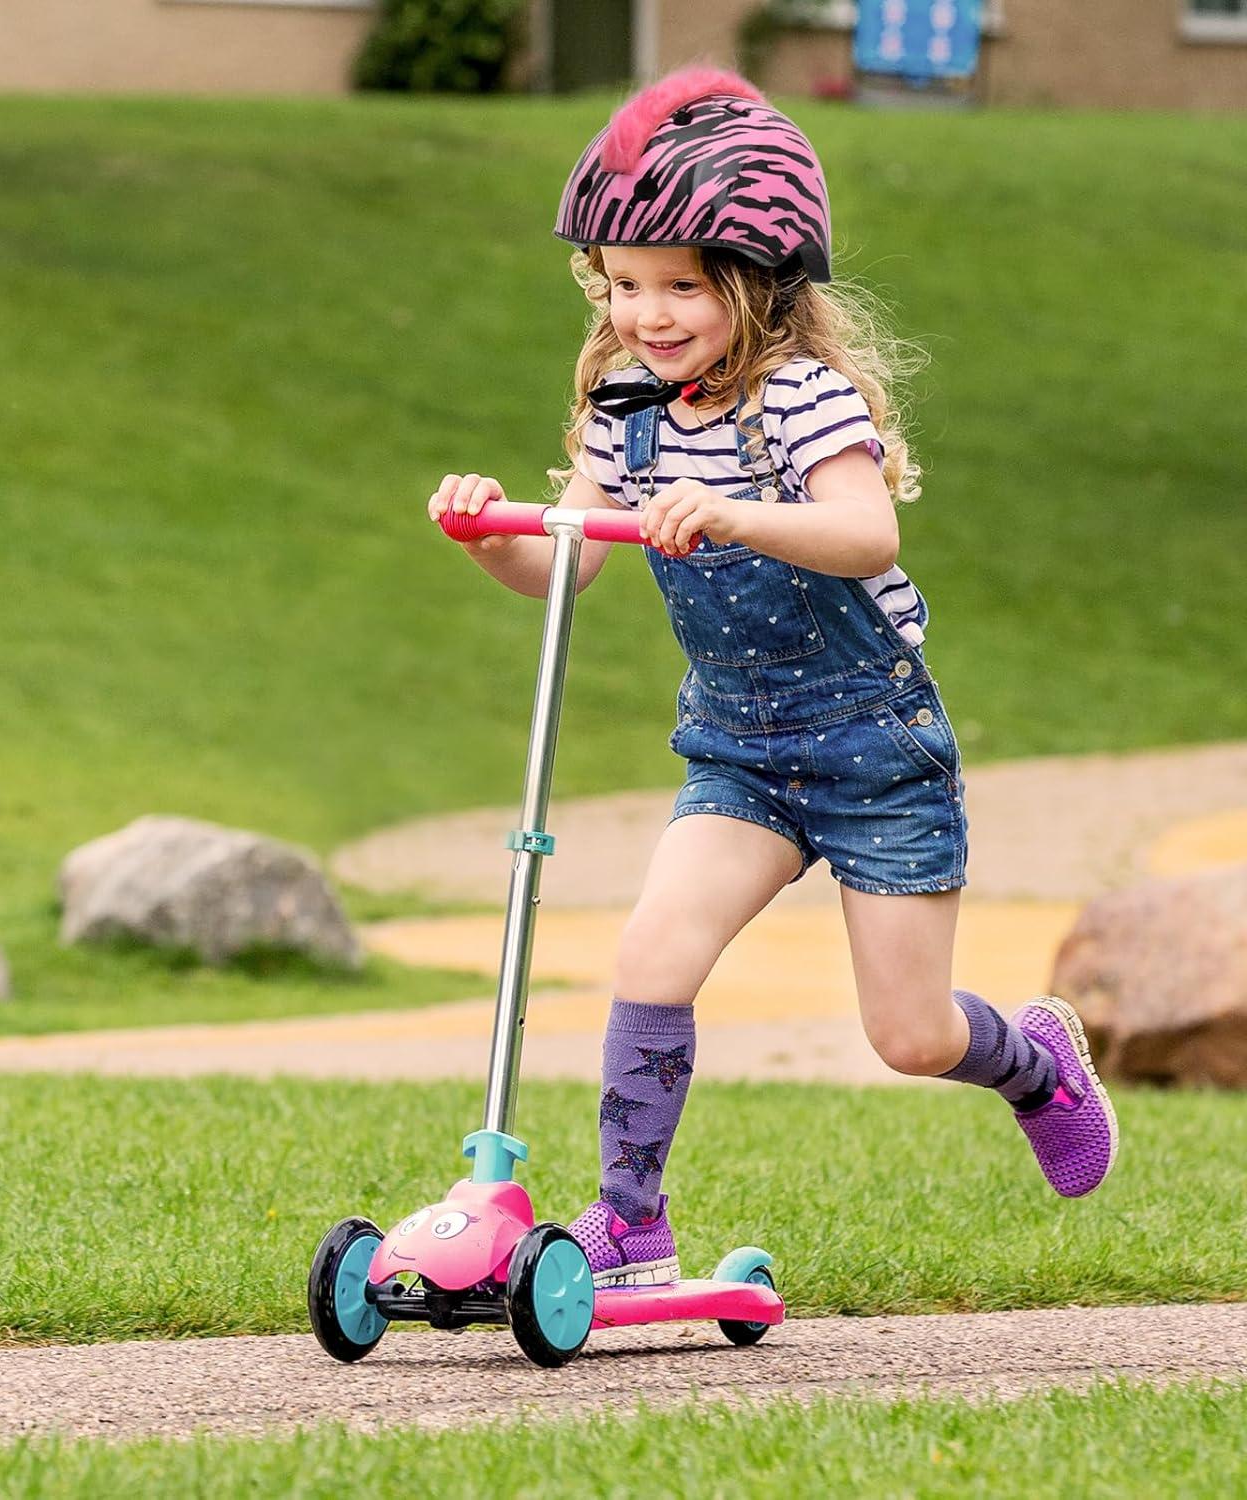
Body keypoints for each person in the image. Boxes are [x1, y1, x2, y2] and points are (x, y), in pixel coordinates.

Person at [427, 67, 1117, 1288]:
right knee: (652, 955)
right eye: (626, 284)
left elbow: (867, 537)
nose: (649, 313)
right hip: (739, 752)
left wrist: (742, 513)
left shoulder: (802, 399)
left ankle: (1034, 1061)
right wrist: (492, 537)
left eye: (682, 284)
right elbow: (566, 570)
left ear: (755, 284)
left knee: (909, 1035)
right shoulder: (624, 410)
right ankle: (631, 1223)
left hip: (873, 749)